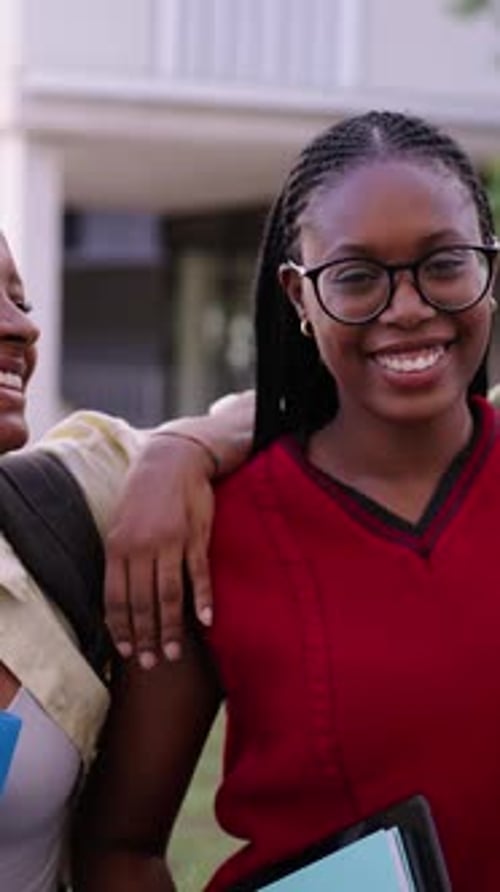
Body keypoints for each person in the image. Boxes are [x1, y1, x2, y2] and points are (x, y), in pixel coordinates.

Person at [73, 109, 500, 892]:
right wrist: (178, 448)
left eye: (445, 263)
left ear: (490, 268)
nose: (407, 307)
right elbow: (121, 847)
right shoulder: (211, 532)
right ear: (298, 296)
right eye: (357, 276)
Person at [0, 228, 253, 892]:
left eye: (18, 298)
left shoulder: (64, 497)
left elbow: (276, 411)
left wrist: (182, 450)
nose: (20, 327)